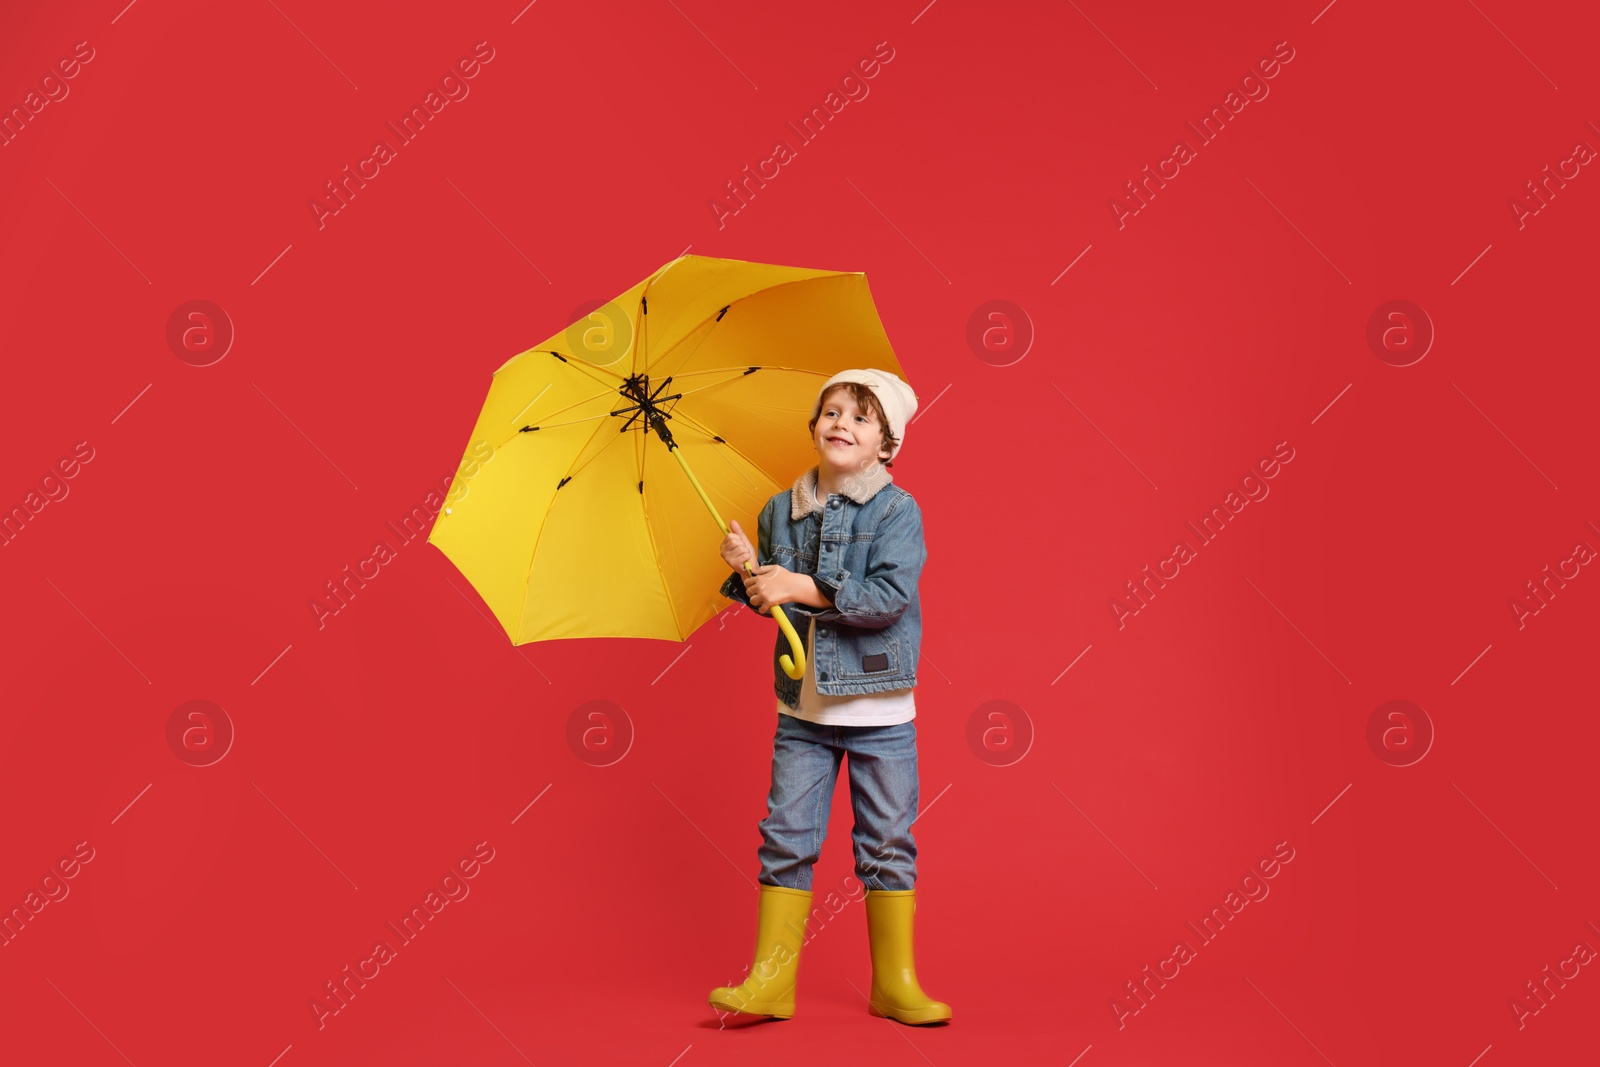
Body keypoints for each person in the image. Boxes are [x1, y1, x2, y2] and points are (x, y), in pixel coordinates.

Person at [707, 368, 952, 1026]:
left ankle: (895, 982)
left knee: (888, 842)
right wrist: (749, 571)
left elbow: (884, 600)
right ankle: (771, 982)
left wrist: (799, 586)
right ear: (813, 425)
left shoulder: (899, 512)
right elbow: (772, 603)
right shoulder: (777, 511)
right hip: (803, 714)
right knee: (785, 838)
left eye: (861, 417)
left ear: (887, 443)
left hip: (880, 713)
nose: (842, 423)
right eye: (832, 410)